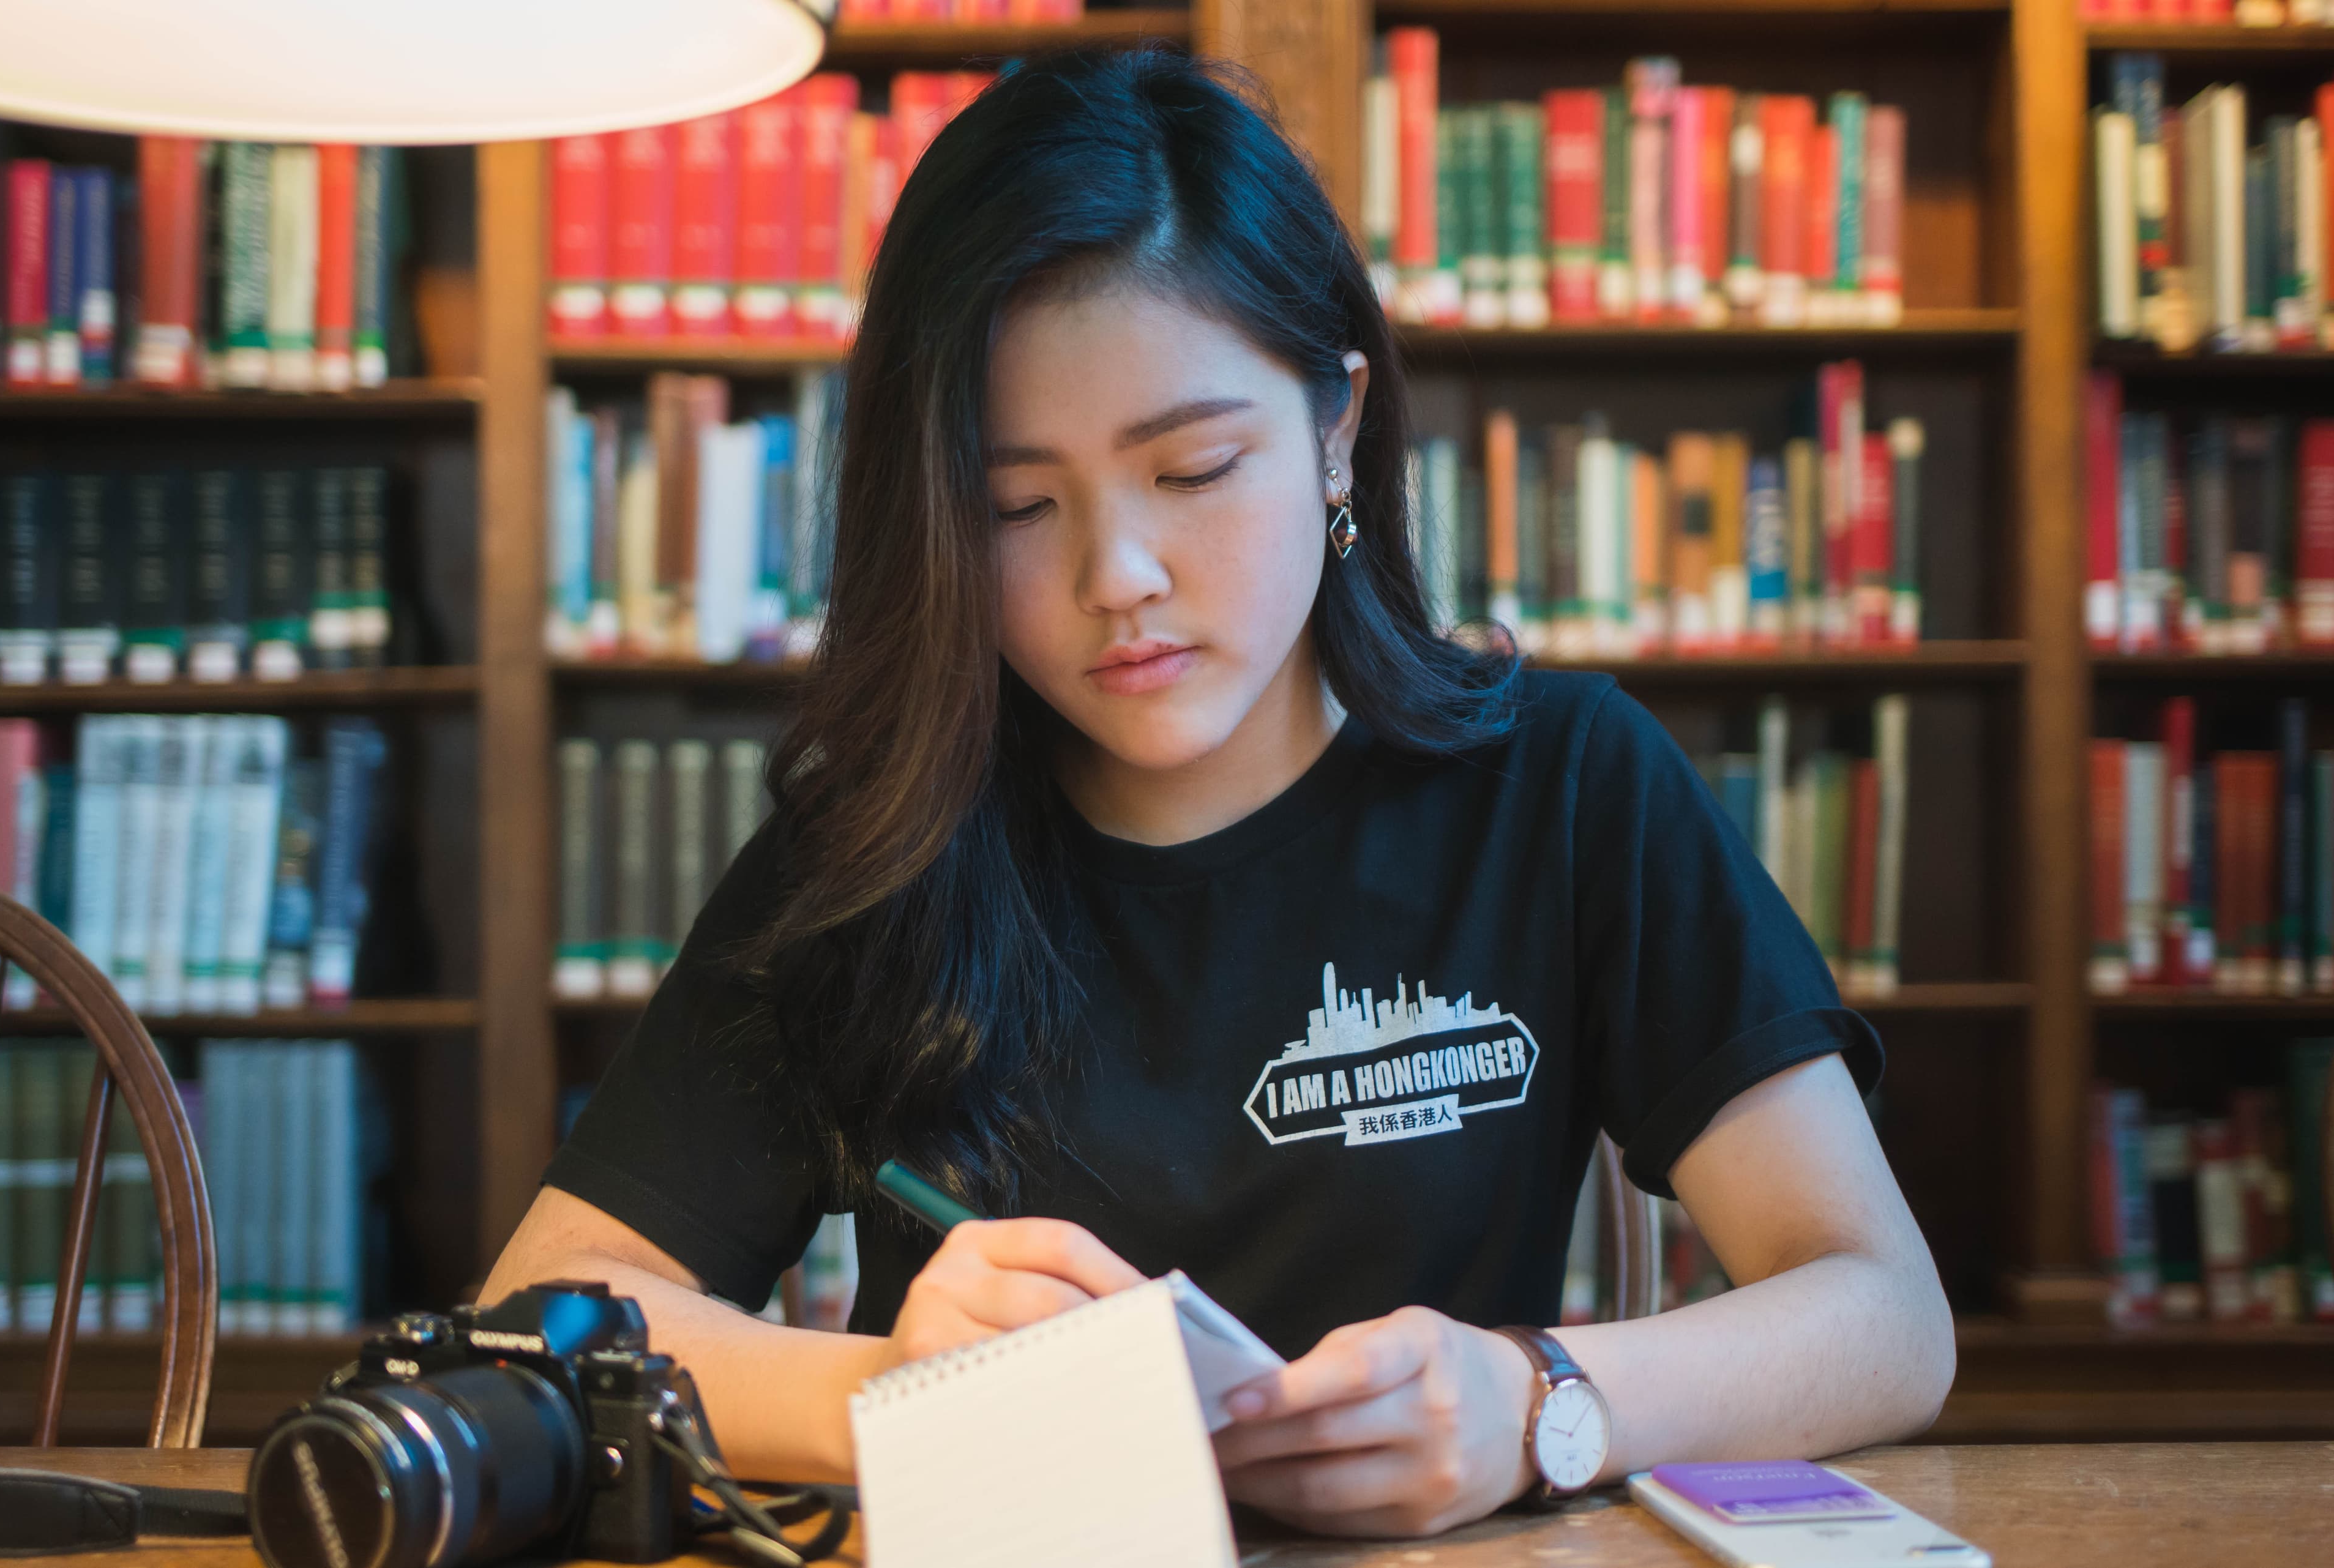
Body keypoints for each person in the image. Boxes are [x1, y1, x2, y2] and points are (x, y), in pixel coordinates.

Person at [484, 46, 1954, 1538]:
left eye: (1191, 470)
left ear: (1335, 429)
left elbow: (1886, 1315)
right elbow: (543, 1313)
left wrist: (1537, 1404)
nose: (1114, 578)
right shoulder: (880, 842)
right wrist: (891, 1392)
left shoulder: (1563, 782)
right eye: (1017, 506)